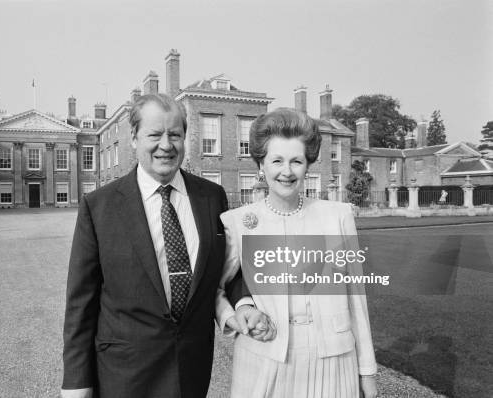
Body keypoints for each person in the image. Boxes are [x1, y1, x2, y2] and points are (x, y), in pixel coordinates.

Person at [61, 93, 270, 398]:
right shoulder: (99, 207)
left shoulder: (211, 198)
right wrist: (77, 385)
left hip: (191, 368)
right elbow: (80, 305)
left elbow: (227, 269)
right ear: (134, 138)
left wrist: (245, 304)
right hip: (124, 373)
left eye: (175, 134)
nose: (166, 145)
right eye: (155, 134)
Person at [216, 108, 378, 398]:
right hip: (264, 356)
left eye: (296, 161)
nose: (287, 171)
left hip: (333, 359)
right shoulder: (237, 222)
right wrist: (237, 313)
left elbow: (357, 298)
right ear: (261, 165)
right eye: (276, 160)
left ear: (308, 164)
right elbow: (215, 289)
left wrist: (367, 371)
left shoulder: (338, 217)